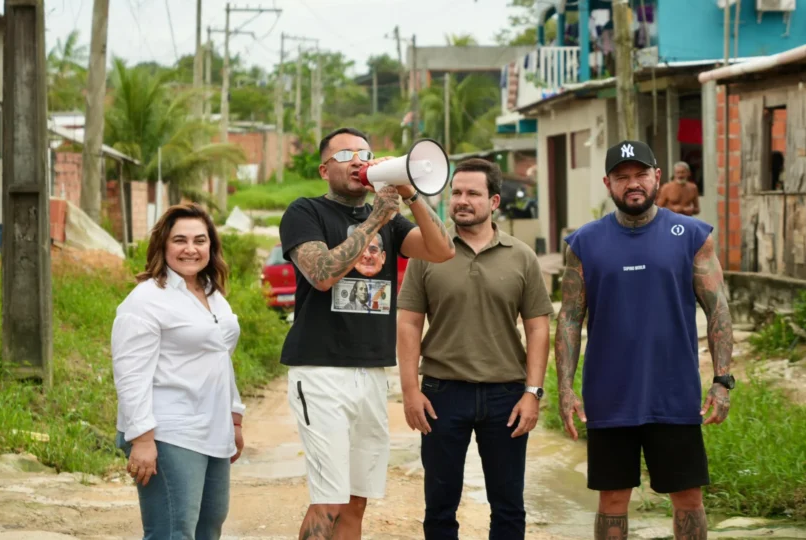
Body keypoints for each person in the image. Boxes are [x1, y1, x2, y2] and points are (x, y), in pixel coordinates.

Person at [277, 127, 456, 539]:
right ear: (324, 169)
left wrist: (411, 195)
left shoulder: (394, 223)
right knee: (329, 498)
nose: (358, 160)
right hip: (321, 371)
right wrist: (378, 217)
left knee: (357, 499)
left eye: (365, 152)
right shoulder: (305, 212)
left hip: (372, 372)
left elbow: (443, 251)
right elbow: (321, 275)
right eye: (345, 155)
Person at [554, 140, 735, 540]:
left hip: (674, 393)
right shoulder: (584, 243)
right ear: (608, 183)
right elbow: (569, 317)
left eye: (640, 174)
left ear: (657, 177)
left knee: (688, 497)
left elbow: (718, 309)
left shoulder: (690, 235)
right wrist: (565, 387)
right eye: (622, 177)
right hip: (609, 396)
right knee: (612, 500)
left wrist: (722, 380)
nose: (632, 184)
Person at [397, 158, 555, 540]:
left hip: (506, 396)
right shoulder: (429, 252)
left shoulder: (521, 256)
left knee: (508, 507)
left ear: (495, 200)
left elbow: (537, 328)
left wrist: (532, 393)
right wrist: (410, 391)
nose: (462, 201)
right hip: (441, 394)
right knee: (439, 506)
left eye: (473, 193)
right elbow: (408, 322)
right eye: (457, 192)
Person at [111, 203, 246, 539]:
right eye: (180, 240)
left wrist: (234, 418)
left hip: (212, 428)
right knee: (172, 531)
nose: (191, 249)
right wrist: (142, 438)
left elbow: (219, 359)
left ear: (211, 247)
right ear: (163, 245)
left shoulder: (213, 296)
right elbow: (131, 374)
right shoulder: (145, 300)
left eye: (200, 240)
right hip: (168, 431)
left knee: (208, 527)